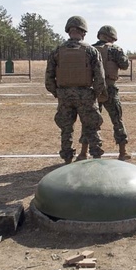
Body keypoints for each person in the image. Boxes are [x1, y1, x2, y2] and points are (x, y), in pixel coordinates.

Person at [45, 16, 106, 163]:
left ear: (68, 31)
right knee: (92, 127)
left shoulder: (57, 51)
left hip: (64, 95)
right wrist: (95, 94)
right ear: (83, 32)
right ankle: (96, 158)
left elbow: (49, 77)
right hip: (86, 95)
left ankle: (67, 159)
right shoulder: (91, 51)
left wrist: (58, 93)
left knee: (66, 130)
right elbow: (100, 77)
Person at [91, 25, 131, 161]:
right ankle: (122, 151)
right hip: (110, 88)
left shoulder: (90, 49)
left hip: (93, 89)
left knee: (90, 121)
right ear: (111, 37)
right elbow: (125, 65)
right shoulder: (115, 50)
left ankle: (84, 152)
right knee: (117, 120)